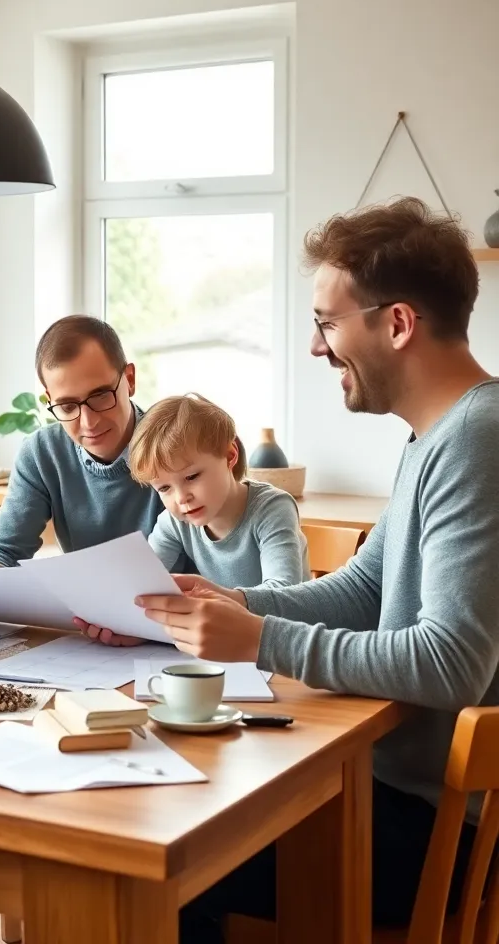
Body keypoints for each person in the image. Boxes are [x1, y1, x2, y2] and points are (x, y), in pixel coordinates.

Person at [133, 198, 499, 940]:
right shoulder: (441, 435)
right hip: (396, 794)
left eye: (328, 322)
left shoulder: (475, 440)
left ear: (396, 323)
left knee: (151, 856)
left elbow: (450, 662)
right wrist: (237, 600)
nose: (313, 346)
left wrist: (258, 637)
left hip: (429, 832)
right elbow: (367, 586)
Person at [0, 315, 172, 644]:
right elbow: (2, 549)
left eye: (101, 395)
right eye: (66, 405)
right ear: (49, 399)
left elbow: (207, 574)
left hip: (174, 640)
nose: (88, 421)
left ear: (130, 379)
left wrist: (143, 622)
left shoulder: (175, 447)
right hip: (93, 640)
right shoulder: (42, 452)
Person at [128, 394, 309, 590]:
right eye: (164, 488)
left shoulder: (273, 509)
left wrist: (213, 603)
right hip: (226, 620)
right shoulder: (174, 523)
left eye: (192, 477)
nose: (181, 498)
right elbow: (140, 583)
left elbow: (283, 592)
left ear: (230, 455)